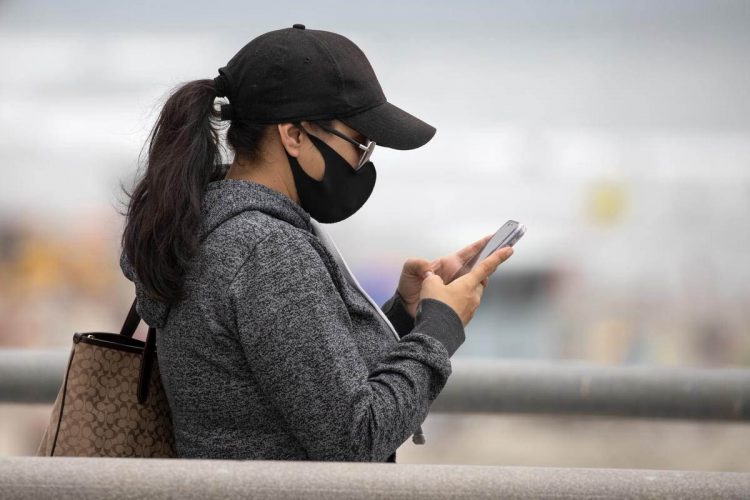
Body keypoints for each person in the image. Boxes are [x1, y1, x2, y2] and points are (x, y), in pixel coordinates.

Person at [119, 24, 513, 463]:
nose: (363, 162)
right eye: (360, 144)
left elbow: (300, 378)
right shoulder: (267, 252)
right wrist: (440, 330)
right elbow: (356, 437)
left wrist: (406, 317)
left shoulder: (208, 224)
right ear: (294, 135)